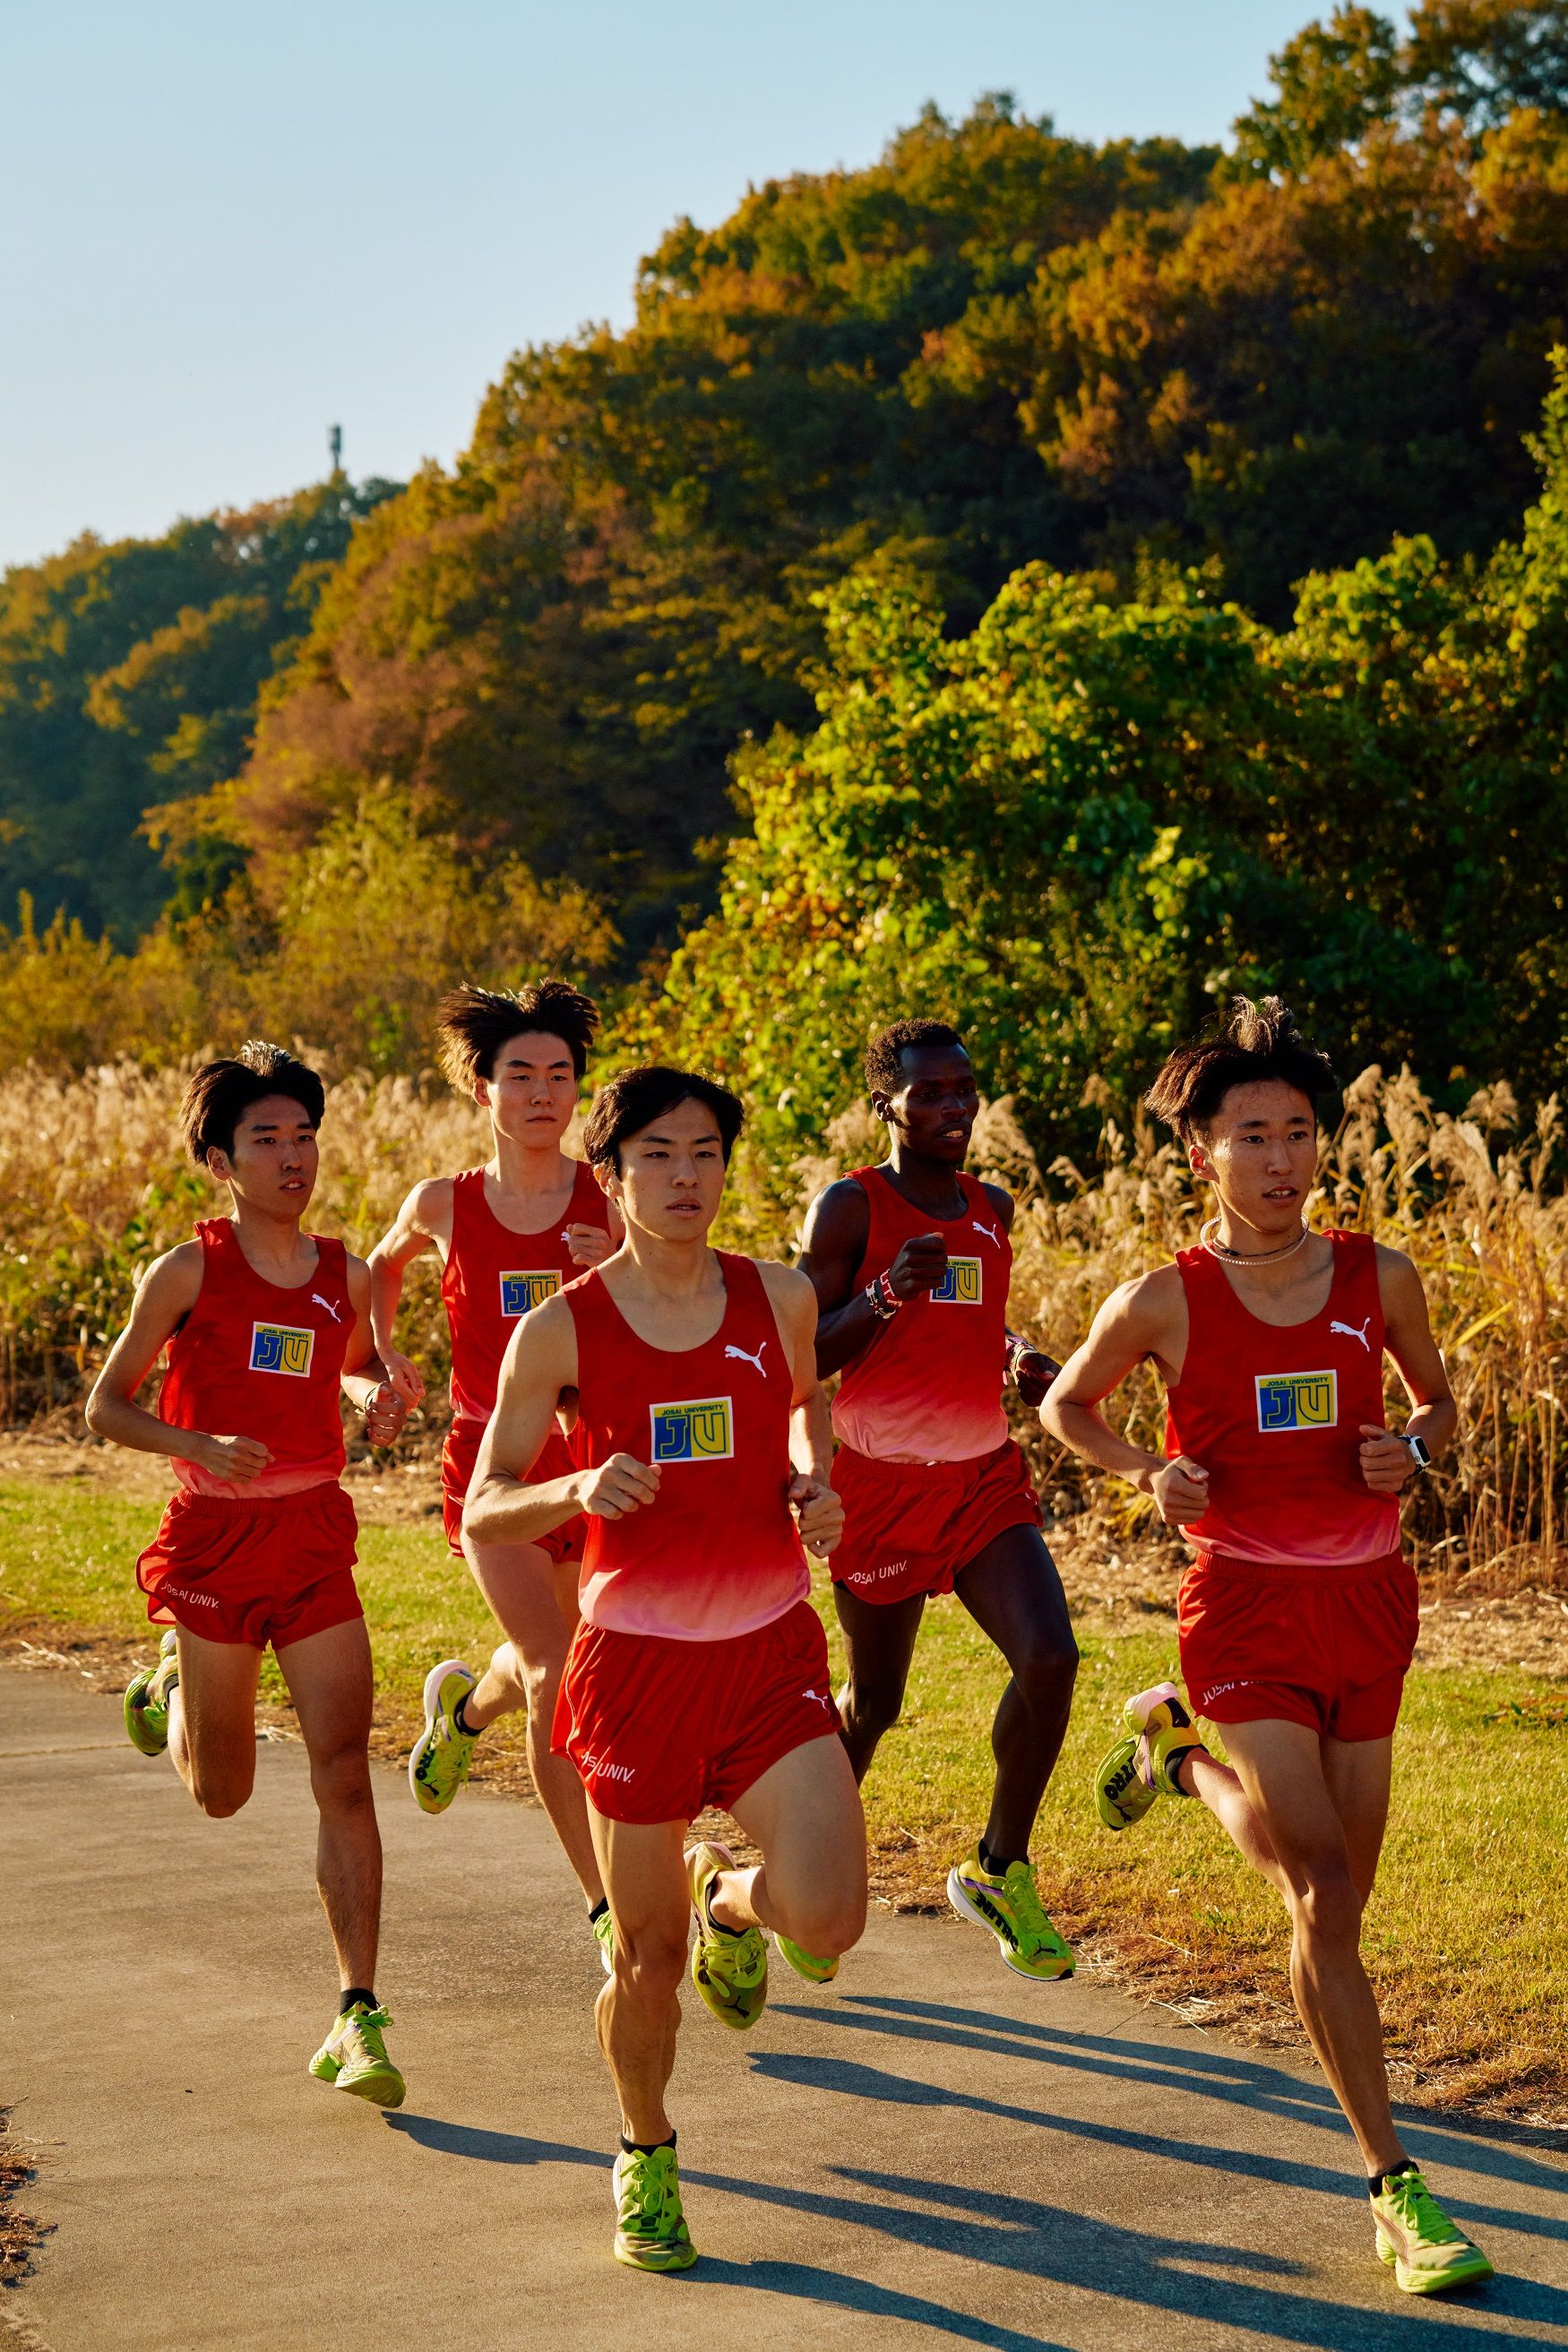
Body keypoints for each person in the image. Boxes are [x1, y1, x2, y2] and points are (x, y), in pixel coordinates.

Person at [1041, 995, 1493, 2300]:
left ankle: (1175, 1756)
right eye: (1253, 1136)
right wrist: (1150, 1470)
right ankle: (1394, 2188)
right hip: (1239, 1607)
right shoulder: (1163, 1300)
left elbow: (1443, 1406)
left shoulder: (1376, 1275)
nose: (1282, 1159)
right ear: (1201, 1154)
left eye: (1298, 1132)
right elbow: (1069, 1405)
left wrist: (1407, 1450)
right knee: (1321, 1903)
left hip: (1366, 1603)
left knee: (1339, 1881)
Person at [465, 1064, 866, 2272]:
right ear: (612, 1171)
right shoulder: (565, 1326)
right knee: (643, 1965)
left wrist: (812, 1480)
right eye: (657, 1155)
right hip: (635, 1666)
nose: (685, 1177)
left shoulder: (778, 1295)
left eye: (704, 1153)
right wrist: (575, 1487)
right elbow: (487, 1502)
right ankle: (643, 2148)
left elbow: (804, 1405)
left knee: (830, 1916)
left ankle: (727, 1898)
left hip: (767, 1653)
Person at [86, 1041, 411, 2106]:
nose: (292, 1157)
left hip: (314, 1538)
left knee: (344, 1769)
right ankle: (176, 1687)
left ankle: (357, 2014)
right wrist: (198, 1443)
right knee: (223, 1795)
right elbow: (106, 1406)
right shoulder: (189, 1270)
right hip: (215, 1542)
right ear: (221, 1160)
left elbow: (349, 1368)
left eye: (304, 1136)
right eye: (267, 1139)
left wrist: (377, 1394)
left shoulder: (345, 1272)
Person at [797, 1018, 1078, 1981]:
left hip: (981, 1479)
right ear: (888, 1104)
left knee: (1050, 1656)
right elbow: (798, 1353)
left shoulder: (991, 1205)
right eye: (932, 1093)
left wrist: (1018, 1359)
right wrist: (880, 1297)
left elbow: (975, 1321)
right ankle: (799, 1874)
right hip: (878, 1487)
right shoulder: (848, 1209)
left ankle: (999, 1867)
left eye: (965, 1089)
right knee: (873, 1705)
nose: (955, 1108)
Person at [366, 980, 617, 1966]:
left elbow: (669, 1300)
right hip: (492, 1464)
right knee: (558, 1664)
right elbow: (377, 1267)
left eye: (560, 1075)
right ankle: (605, 1909)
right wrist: (383, 1356)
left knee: (560, 1650)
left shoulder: (612, 1196)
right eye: (521, 1075)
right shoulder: (444, 1203)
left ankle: (466, 1710)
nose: (543, 1093)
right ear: (484, 1089)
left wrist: (615, 1263)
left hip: (594, 1460)